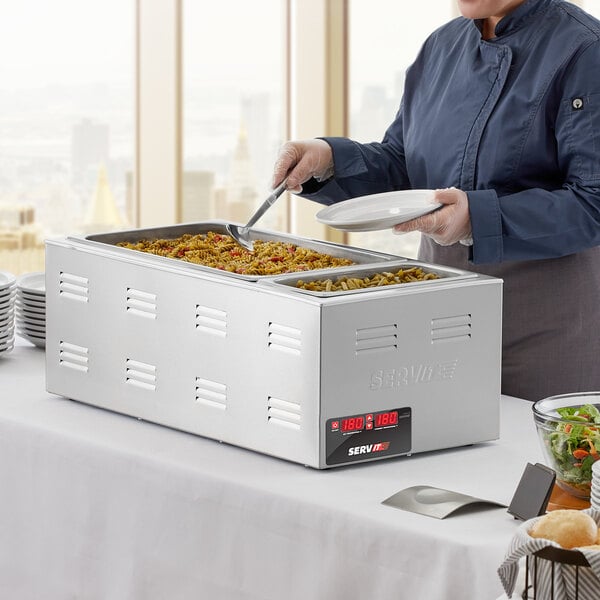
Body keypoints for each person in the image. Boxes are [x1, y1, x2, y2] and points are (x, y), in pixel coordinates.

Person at [271, 0, 600, 402]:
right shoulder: (441, 48)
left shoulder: (585, 50)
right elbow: (404, 163)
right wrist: (329, 160)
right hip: (437, 313)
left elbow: (592, 202)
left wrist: (475, 220)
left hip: (548, 325)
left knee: (537, 461)